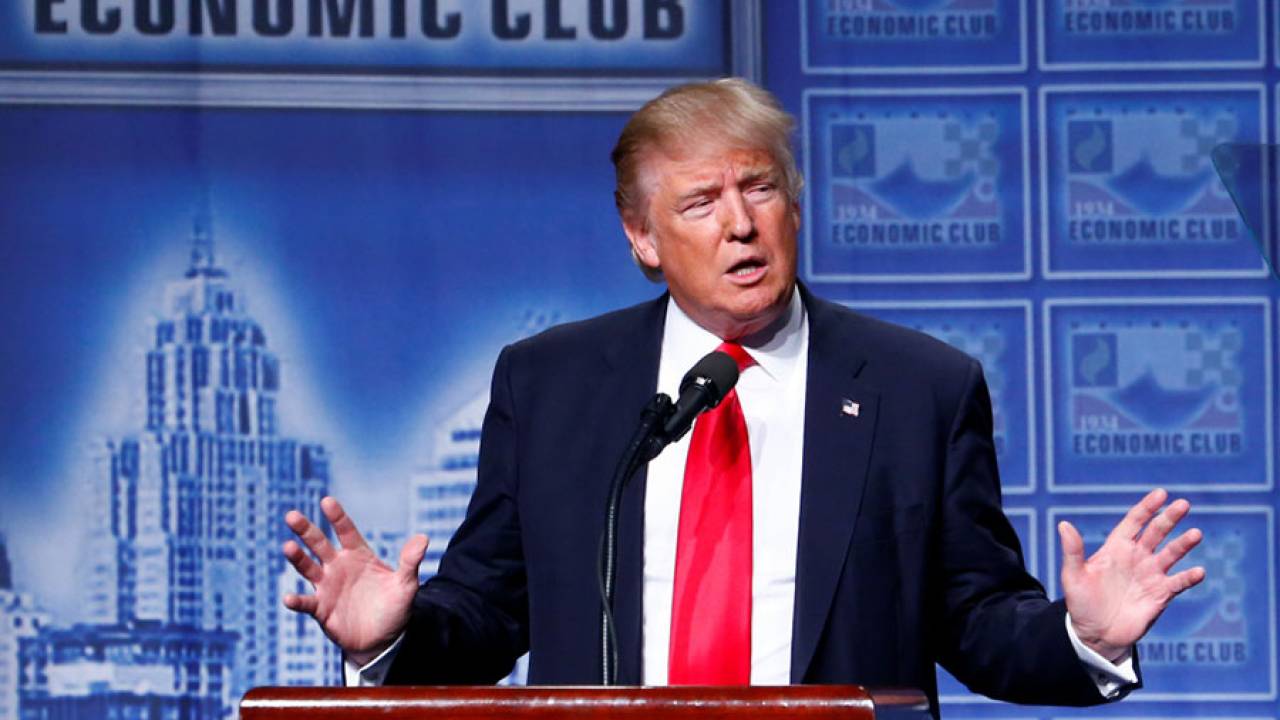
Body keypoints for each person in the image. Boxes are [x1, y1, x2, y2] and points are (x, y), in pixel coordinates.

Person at [281, 78, 1205, 714]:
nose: (740, 224)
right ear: (642, 237)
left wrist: (1084, 638)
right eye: (700, 203)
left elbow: (976, 620)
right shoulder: (550, 385)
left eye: (759, 188)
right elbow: (489, 613)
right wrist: (387, 642)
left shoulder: (920, 387)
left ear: (793, 205)